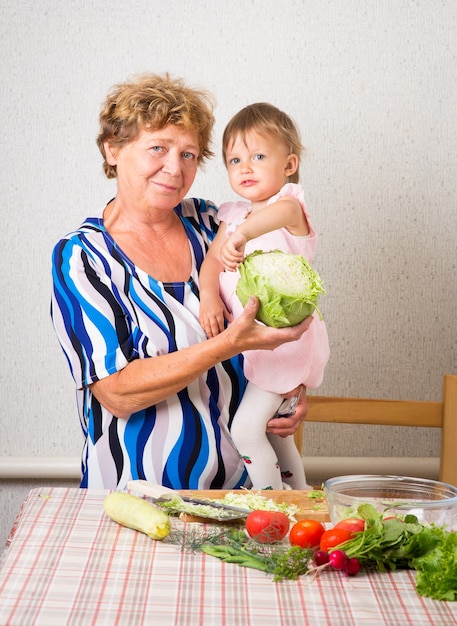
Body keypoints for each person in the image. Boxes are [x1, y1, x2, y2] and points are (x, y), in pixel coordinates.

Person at [50, 73, 313, 491]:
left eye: (189, 154)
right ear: (113, 149)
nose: (175, 168)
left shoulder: (216, 224)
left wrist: (290, 391)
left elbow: (290, 293)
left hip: (240, 498)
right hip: (135, 496)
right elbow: (118, 394)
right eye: (158, 148)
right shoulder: (83, 255)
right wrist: (227, 344)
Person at [199, 103, 330, 490]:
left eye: (258, 156)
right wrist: (209, 296)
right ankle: (302, 495)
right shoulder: (233, 215)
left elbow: (275, 215)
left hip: (289, 343)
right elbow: (210, 264)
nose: (245, 167)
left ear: (289, 164)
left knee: (247, 432)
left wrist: (242, 236)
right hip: (257, 347)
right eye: (234, 159)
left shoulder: (289, 207)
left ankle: (271, 502)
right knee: (275, 433)